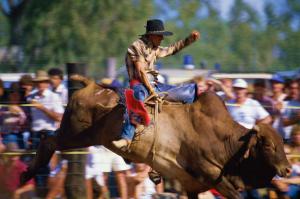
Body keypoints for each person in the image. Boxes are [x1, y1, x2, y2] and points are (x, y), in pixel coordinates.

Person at [113, 19, 200, 149]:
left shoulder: (155, 48)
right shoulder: (136, 46)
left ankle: (192, 127)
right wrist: (151, 91)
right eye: (160, 35)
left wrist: (189, 40)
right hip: (139, 85)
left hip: (155, 85)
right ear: (151, 35)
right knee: (138, 99)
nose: (162, 38)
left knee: (189, 92)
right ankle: (126, 138)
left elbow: (172, 49)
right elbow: (141, 72)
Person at [26, 70, 64, 197]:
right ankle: (41, 194)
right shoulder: (31, 96)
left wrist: (42, 108)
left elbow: (59, 117)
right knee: (37, 168)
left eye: (43, 82)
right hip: (35, 135)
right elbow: (30, 118)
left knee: (48, 168)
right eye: (38, 82)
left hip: (48, 134)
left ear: (47, 83)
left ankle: (50, 194)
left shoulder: (54, 97)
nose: (40, 84)